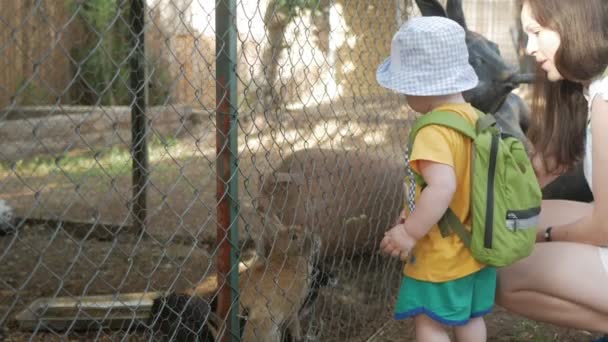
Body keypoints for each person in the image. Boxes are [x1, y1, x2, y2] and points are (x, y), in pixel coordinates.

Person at [377, 16, 495, 342]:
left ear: (421, 88)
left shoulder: (432, 131)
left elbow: (443, 187)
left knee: (430, 323)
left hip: (442, 256)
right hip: (475, 247)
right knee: (469, 318)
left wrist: (409, 232)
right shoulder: (477, 120)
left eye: (403, 88)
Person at [496, 0, 608, 338]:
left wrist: (542, 238)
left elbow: (604, 228)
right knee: (514, 220)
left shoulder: (605, 100)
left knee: (506, 273)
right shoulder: (591, 86)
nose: (529, 48)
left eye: (536, 32)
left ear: (571, 24)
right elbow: (544, 168)